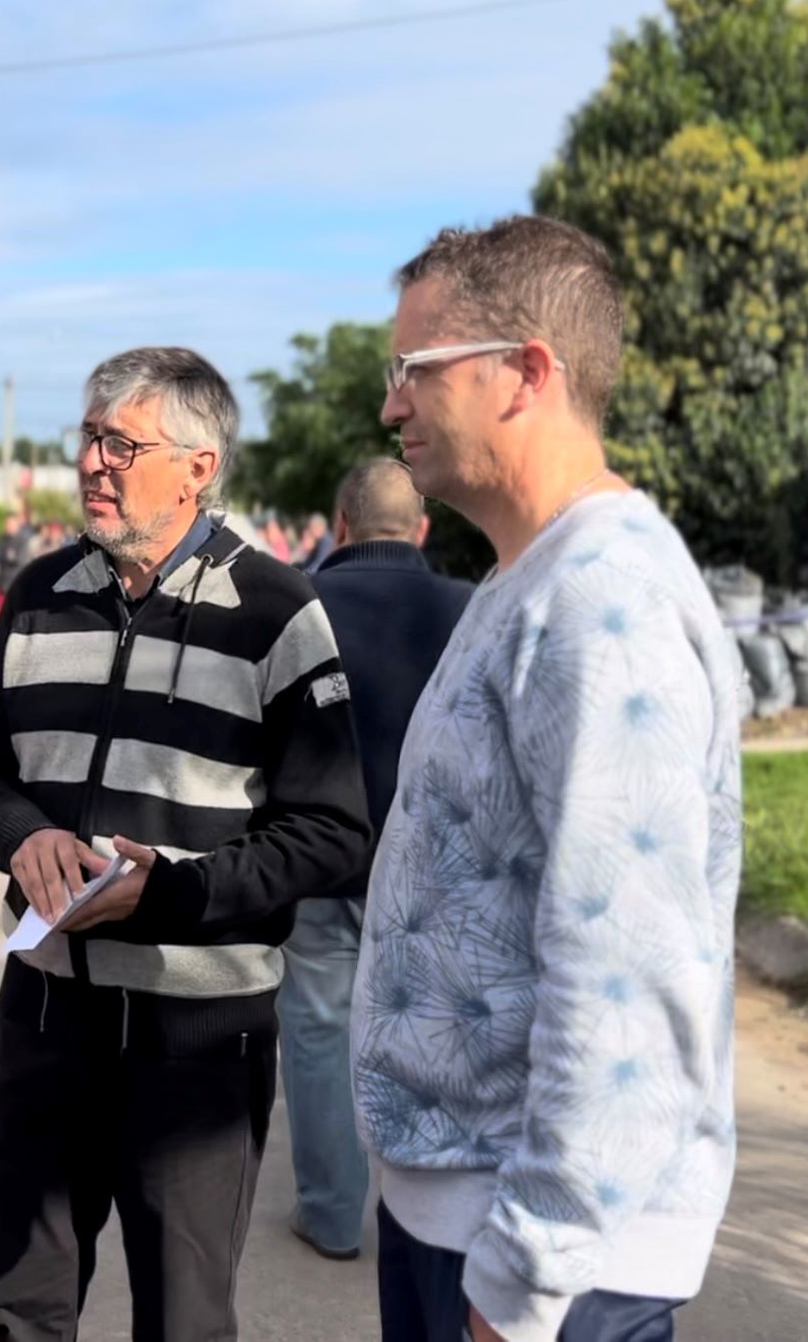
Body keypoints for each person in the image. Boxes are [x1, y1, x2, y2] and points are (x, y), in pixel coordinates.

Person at [358, 216, 743, 1342]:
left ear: (526, 373)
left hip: (537, 1270)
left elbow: (626, 983)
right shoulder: (529, 581)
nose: (391, 406)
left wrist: (522, 1283)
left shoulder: (600, 605)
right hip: (475, 1226)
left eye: (414, 371)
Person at [0, 346, 371, 1341]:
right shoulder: (38, 592)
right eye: (88, 438)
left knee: (183, 1319)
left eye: (120, 442)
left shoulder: (278, 611)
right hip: (43, 1016)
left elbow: (333, 833)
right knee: (17, 1310)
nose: (93, 461)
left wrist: (171, 891)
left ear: (199, 465)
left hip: (198, 1037)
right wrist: (24, 839)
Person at [277, 459, 472, 1264]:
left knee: (320, 1033)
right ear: (421, 528)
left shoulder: (295, 605)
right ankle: (430, 1214)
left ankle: (329, 1211)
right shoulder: (472, 608)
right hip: (434, 869)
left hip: (319, 860)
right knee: (432, 1034)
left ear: (340, 520)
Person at [0, 509, 35, 621]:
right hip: (0, 587)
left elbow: (19, 560)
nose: (8, 526)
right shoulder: (2, 540)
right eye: (6, 523)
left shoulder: (22, 541)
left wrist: (6, 557)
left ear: (17, 524)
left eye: (10, 523)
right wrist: (7, 557)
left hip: (15, 590)